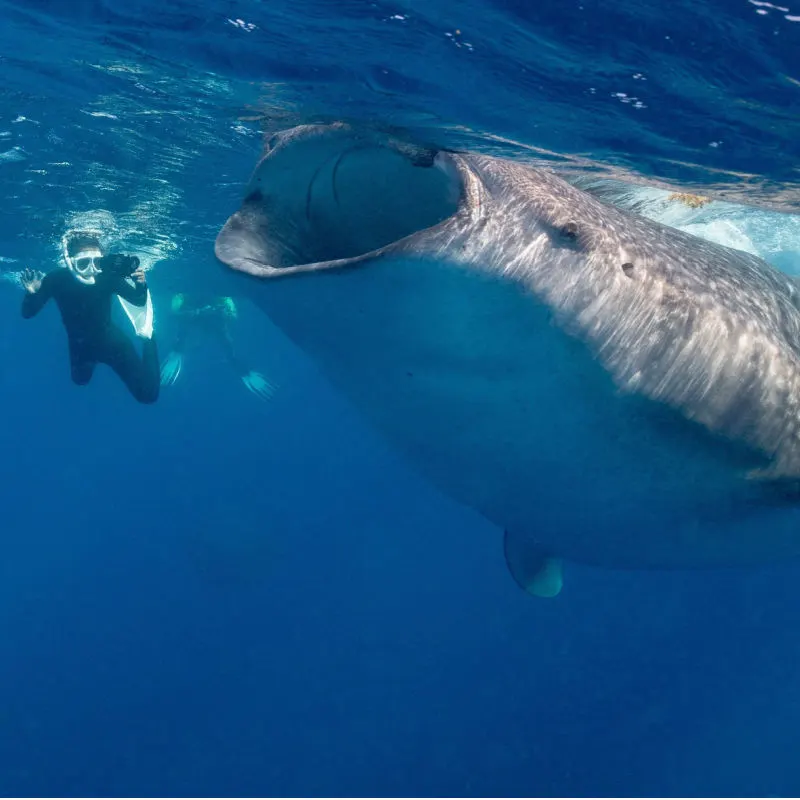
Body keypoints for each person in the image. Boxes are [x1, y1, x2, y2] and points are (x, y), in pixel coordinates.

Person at [20, 232, 160, 404]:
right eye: (83, 263)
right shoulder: (56, 279)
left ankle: (149, 340)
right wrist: (32, 293)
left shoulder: (107, 275)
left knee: (148, 395)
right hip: (81, 346)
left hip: (112, 344)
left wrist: (140, 284)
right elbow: (28, 313)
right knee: (80, 380)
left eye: (97, 262)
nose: (92, 270)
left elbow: (138, 300)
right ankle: (94, 359)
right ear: (70, 262)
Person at [160, 292, 275, 401]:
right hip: (194, 318)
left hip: (209, 321)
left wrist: (221, 312)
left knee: (221, 332)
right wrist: (200, 312)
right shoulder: (184, 294)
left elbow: (233, 316)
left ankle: (244, 371)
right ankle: (176, 352)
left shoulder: (222, 298)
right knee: (189, 328)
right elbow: (173, 314)